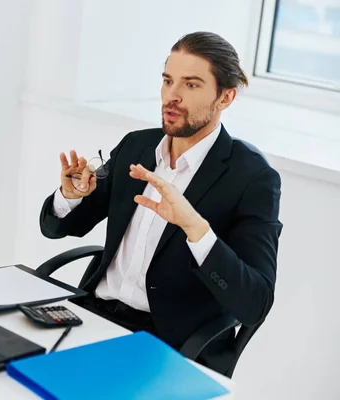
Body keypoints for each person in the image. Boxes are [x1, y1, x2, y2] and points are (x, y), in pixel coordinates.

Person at [39, 31, 283, 375]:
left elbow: (255, 303)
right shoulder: (137, 147)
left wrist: (195, 228)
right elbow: (57, 228)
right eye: (168, 81)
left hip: (169, 342)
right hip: (92, 315)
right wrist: (70, 196)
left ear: (225, 97)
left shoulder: (252, 178)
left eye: (191, 85)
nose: (173, 96)